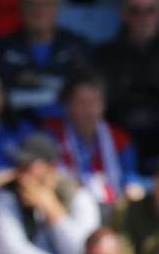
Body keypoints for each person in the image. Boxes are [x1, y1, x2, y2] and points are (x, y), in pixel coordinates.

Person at [39, 74, 143, 207]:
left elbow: (130, 176)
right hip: (66, 206)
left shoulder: (119, 139)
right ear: (67, 105)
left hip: (111, 207)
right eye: (82, 103)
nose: (90, 110)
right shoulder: (50, 134)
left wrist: (132, 188)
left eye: (95, 102)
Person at [0, 0, 94, 92]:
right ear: (21, 7)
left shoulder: (78, 47)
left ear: (56, 7)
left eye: (46, 3)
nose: (39, 10)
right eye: (31, 3)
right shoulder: (0, 50)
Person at [95, 0, 159, 163]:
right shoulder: (103, 55)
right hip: (116, 143)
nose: (143, 18)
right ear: (123, 14)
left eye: (151, 10)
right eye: (135, 11)